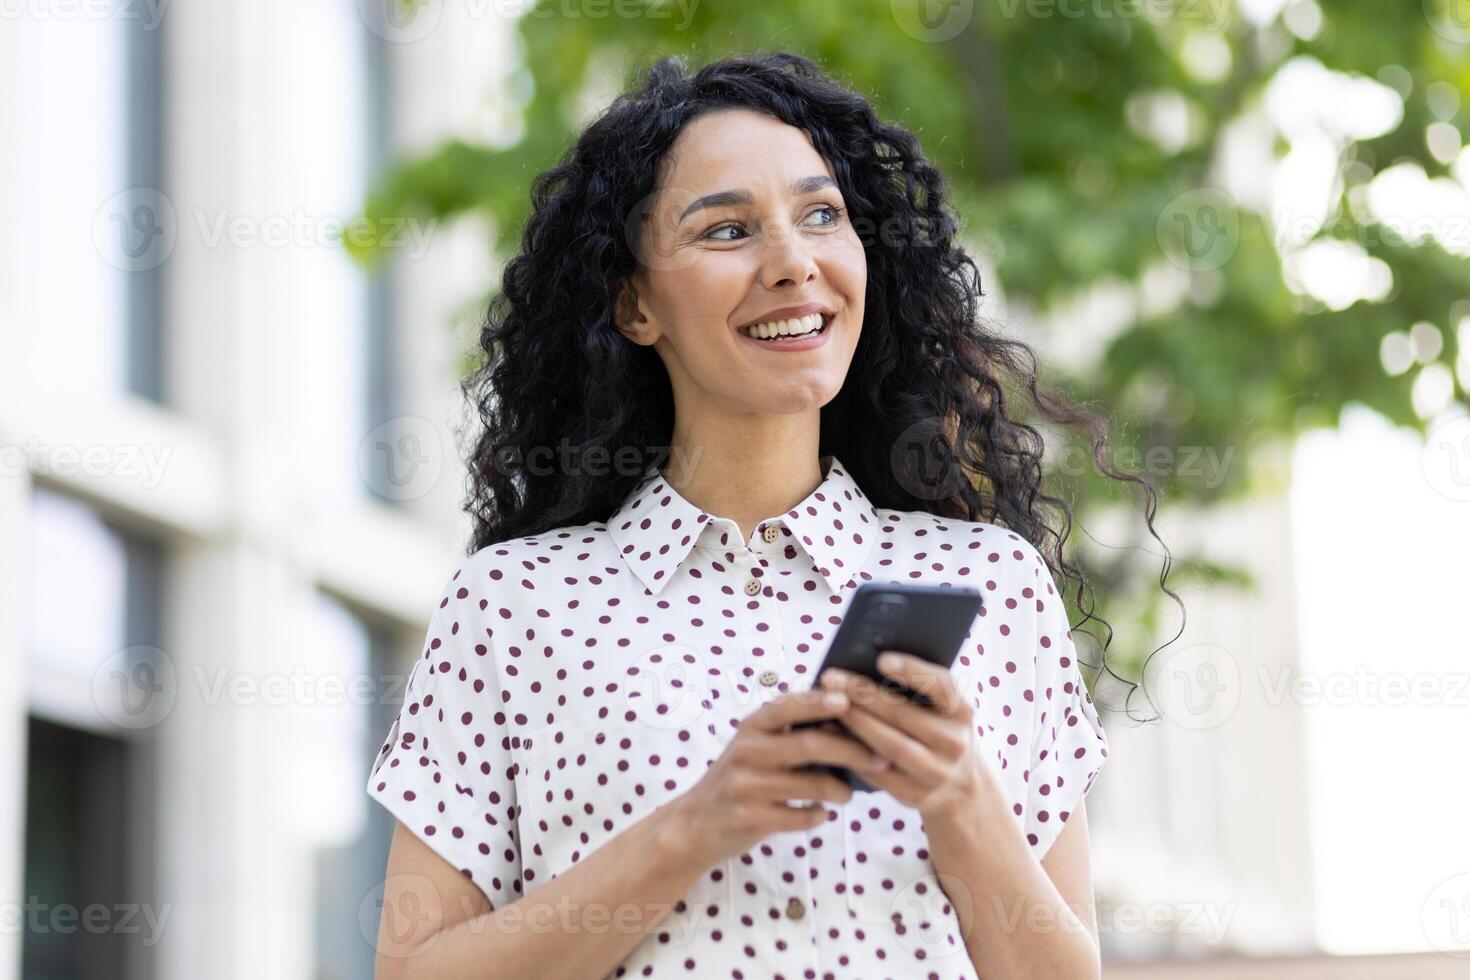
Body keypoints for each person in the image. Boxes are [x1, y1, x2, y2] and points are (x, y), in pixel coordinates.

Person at [366, 50, 1158, 980]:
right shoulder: (513, 605)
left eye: (821, 215)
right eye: (727, 230)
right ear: (633, 304)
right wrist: (700, 824)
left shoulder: (989, 583)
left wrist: (961, 800)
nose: (792, 263)